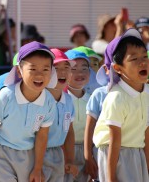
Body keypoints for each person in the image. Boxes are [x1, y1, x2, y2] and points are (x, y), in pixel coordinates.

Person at [0, 41, 57, 182]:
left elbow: (42, 136)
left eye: (46, 69)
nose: (39, 75)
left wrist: (37, 168)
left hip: (29, 156)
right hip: (2, 154)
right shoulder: (6, 95)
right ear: (19, 71)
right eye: (33, 69)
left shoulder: (49, 101)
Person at [93, 28, 149, 182]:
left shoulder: (146, 93)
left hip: (137, 154)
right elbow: (114, 141)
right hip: (117, 155)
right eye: (134, 59)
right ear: (117, 68)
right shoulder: (116, 97)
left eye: (145, 56)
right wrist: (111, 178)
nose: (143, 62)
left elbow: (146, 132)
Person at [44, 48, 78, 181]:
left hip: (58, 154)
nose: (63, 72)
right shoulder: (39, 100)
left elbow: (69, 132)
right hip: (36, 155)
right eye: (56, 68)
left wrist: (69, 160)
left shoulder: (68, 100)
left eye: (67, 67)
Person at [84, 38, 114, 181]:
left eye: (94, 63)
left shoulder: (143, 94)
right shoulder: (99, 94)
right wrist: (88, 156)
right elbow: (89, 128)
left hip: (133, 153)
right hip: (101, 151)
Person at [64, 49, 91, 182]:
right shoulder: (61, 100)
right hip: (65, 151)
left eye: (84, 68)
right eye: (73, 69)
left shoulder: (92, 99)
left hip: (88, 151)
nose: (80, 73)